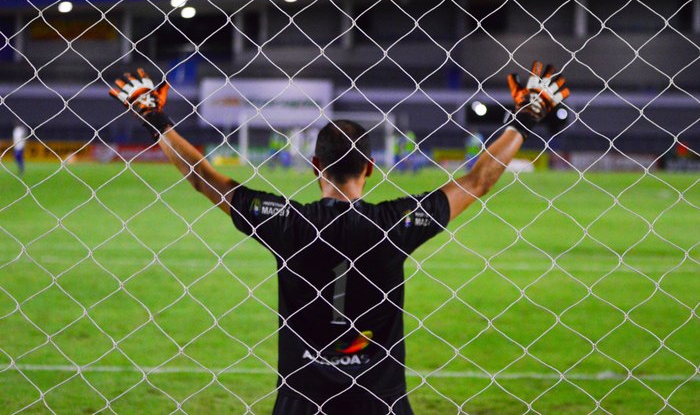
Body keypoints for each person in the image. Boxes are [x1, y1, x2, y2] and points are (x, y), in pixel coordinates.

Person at [109, 61, 569, 415]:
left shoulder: (286, 223)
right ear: (370, 167)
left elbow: (204, 178)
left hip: (301, 398)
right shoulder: (396, 222)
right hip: (379, 397)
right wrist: (526, 117)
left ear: (314, 168)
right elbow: (477, 181)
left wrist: (157, 119)